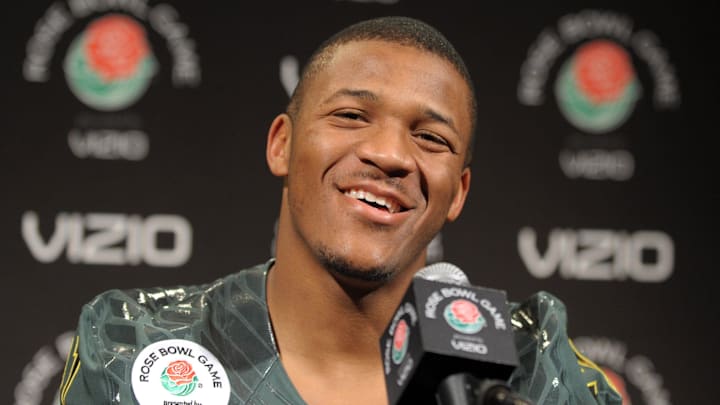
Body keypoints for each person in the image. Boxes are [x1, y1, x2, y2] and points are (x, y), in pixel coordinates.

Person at [58, 16, 621, 405]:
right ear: (282, 144)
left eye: (430, 138)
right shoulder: (134, 346)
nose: (391, 155)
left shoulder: (532, 366)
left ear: (459, 193)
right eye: (352, 116)